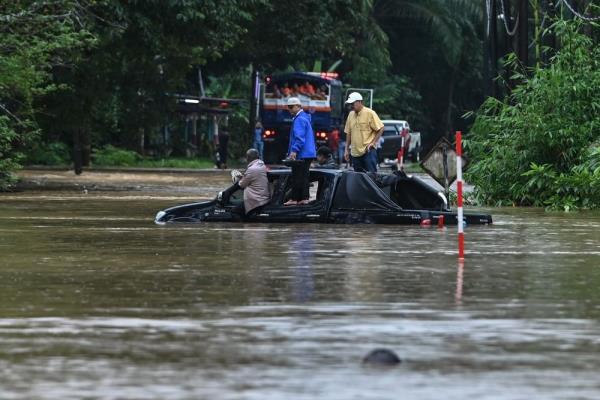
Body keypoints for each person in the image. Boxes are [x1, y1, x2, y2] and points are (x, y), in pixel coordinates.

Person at [219, 148, 270, 215]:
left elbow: (242, 185)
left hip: (255, 200)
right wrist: (243, 177)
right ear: (258, 157)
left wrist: (238, 179)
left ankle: (244, 224)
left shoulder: (252, 169)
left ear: (248, 158)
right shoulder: (262, 165)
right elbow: (253, 178)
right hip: (264, 198)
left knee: (234, 213)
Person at [285, 97, 316, 206]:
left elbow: (299, 138)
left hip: (302, 153)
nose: (289, 109)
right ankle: (304, 198)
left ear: (298, 106)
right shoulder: (304, 118)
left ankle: (295, 199)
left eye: (291, 107)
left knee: (297, 176)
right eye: (288, 107)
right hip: (307, 153)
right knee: (304, 176)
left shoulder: (299, 119)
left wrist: (294, 151)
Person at [343, 92, 384, 173]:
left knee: (371, 176)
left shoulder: (370, 113)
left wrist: (373, 143)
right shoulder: (350, 115)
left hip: (368, 151)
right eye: (350, 103)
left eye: (353, 103)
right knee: (358, 178)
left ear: (360, 102)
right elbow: (348, 133)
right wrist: (346, 150)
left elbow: (381, 128)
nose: (351, 105)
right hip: (355, 153)